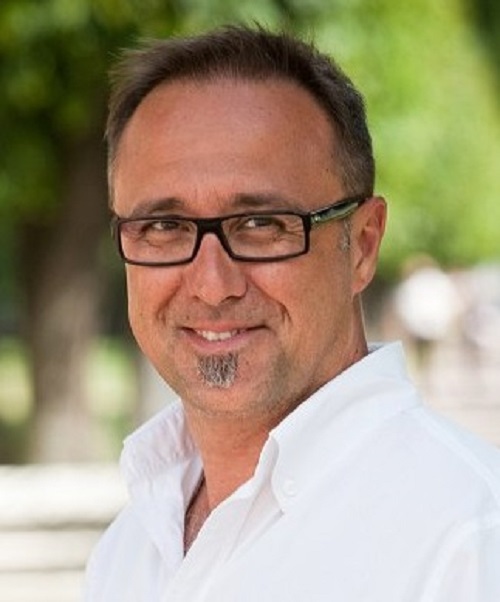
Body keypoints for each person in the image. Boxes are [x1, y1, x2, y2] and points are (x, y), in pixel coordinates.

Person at [84, 25, 500, 601]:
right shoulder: (130, 547)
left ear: (363, 245)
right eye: (164, 226)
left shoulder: (470, 539)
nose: (212, 286)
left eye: (261, 225)